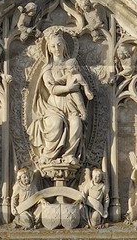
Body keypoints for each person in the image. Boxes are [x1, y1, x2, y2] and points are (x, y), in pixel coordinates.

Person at [30, 28, 93, 168]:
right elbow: (51, 89)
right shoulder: (47, 69)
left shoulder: (72, 64)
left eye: (59, 44)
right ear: (49, 49)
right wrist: (69, 88)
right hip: (53, 106)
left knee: (76, 123)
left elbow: (80, 81)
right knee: (56, 124)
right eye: (53, 46)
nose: (57, 48)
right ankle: (48, 155)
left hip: (72, 105)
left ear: (64, 45)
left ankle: (69, 155)